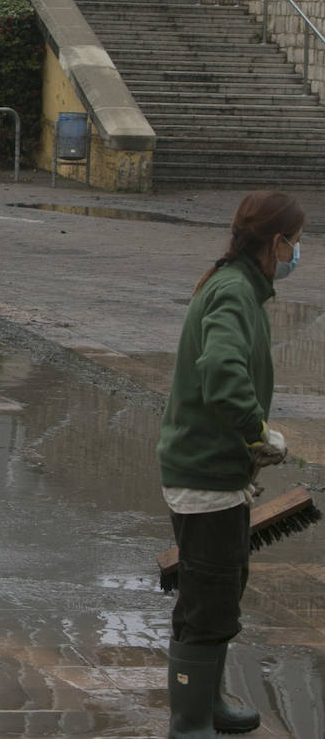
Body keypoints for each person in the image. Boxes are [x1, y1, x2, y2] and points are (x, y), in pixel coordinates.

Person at [157, 190, 305, 737]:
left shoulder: (239, 286)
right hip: (205, 474)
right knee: (208, 600)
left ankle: (209, 701)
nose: (298, 252)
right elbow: (221, 372)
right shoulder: (235, 292)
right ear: (277, 241)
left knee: (218, 591)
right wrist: (256, 432)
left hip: (213, 472)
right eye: (297, 241)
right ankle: (190, 723)